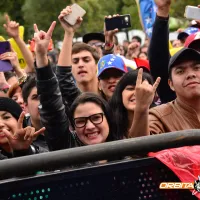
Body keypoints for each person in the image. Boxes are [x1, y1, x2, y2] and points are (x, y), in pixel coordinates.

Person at [33, 20, 117, 151]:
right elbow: (51, 104)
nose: (89, 126)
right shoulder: (68, 146)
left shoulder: (114, 103)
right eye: (81, 121)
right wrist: (41, 57)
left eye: (96, 118)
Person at [149, 48, 200, 134]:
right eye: (180, 71)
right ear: (171, 84)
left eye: (197, 68)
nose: (191, 75)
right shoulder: (159, 118)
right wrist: (141, 110)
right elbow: (142, 143)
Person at [110, 69, 160, 139]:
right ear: (120, 93)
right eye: (130, 88)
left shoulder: (160, 119)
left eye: (144, 90)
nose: (138, 93)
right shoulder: (109, 122)